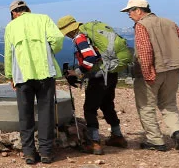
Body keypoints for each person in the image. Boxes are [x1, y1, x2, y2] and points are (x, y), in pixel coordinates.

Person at [56, 15, 133, 154]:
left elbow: (90, 57)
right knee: (107, 104)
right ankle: (118, 136)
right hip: (111, 72)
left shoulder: (80, 37)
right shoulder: (90, 33)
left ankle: (94, 142)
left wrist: (77, 72)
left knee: (89, 109)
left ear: (68, 30)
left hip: (98, 77)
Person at [123, 0, 179, 152]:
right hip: (173, 70)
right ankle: (177, 132)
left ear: (139, 10)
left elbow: (144, 51)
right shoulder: (169, 22)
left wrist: (147, 73)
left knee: (146, 106)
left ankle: (155, 140)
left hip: (153, 70)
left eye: (130, 11)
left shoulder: (141, 25)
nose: (128, 14)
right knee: (169, 104)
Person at [3, 0, 66, 164]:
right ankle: (46, 152)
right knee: (46, 112)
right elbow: (58, 38)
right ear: (27, 10)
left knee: (25, 115)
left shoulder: (11, 27)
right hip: (45, 73)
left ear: (14, 13)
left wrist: (10, 76)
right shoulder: (43, 19)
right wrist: (50, 51)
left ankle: (29, 153)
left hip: (22, 76)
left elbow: (8, 54)